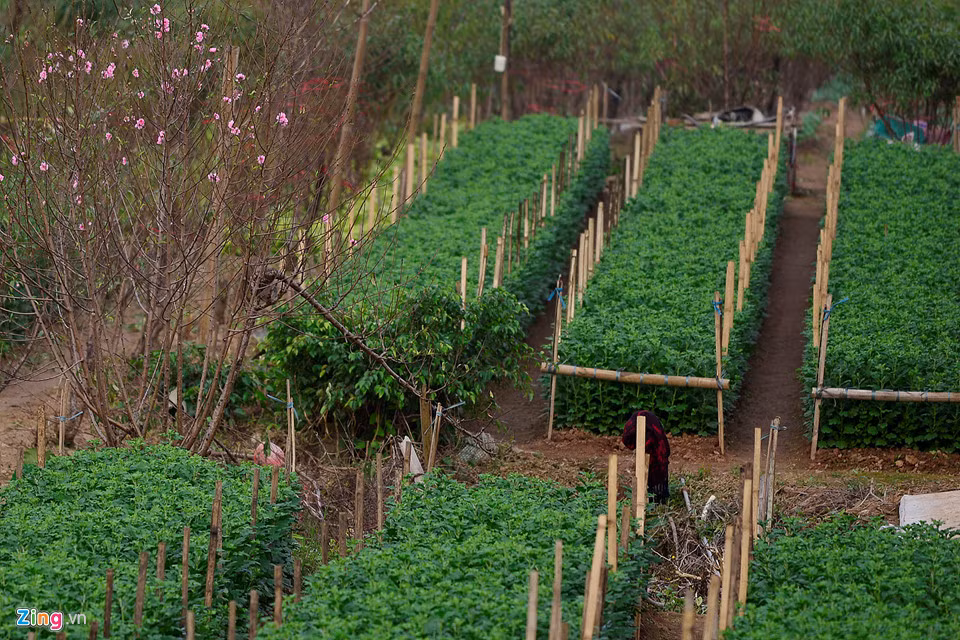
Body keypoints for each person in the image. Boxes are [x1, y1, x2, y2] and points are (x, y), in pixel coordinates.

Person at [621, 410, 670, 504]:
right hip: (653, 455)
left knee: (653, 476)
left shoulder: (652, 439)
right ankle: (652, 498)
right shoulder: (638, 428)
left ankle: (654, 499)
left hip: (655, 458)